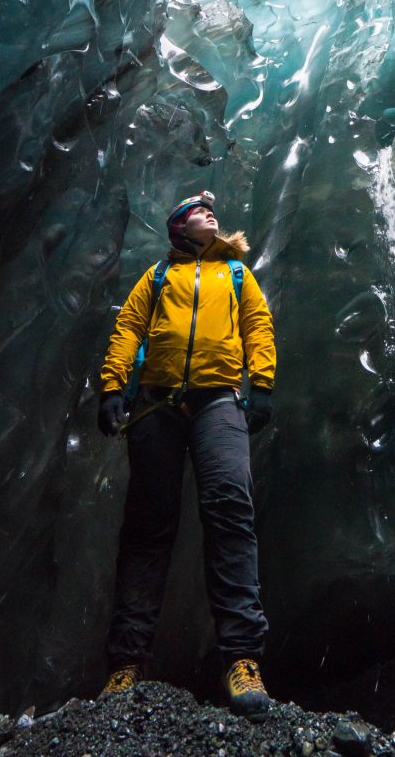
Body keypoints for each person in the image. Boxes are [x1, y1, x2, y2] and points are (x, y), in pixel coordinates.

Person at [97, 190, 276, 717]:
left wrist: (261, 382)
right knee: (148, 526)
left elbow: (257, 325)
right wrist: (113, 386)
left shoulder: (236, 275)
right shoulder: (156, 278)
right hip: (157, 404)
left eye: (211, 210)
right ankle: (126, 663)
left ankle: (242, 659)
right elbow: (128, 328)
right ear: (177, 226)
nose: (211, 212)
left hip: (220, 400)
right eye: (198, 210)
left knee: (230, 515)